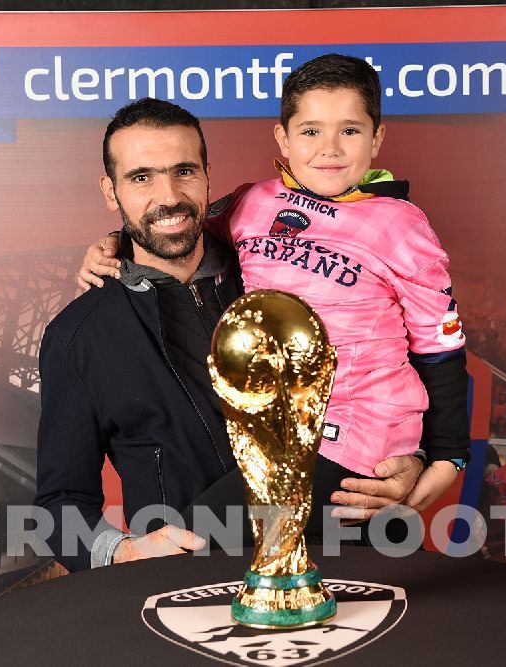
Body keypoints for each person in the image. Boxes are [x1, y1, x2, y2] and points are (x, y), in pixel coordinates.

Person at [36, 98, 424, 574]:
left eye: (184, 171)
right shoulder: (78, 336)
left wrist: (414, 458)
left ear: (207, 175)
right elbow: (58, 505)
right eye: (141, 178)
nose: (169, 195)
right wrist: (123, 552)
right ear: (110, 191)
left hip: (352, 555)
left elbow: (388, 358)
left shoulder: (281, 268)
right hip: (198, 587)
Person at [79, 54, 471, 519]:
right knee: (243, 561)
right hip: (279, 426)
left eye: (350, 130)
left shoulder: (402, 225)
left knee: (200, 536)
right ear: (283, 138)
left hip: (357, 433)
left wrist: (448, 454)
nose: (330, 148)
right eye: (310, 132)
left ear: (377, 138)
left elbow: (440, 342)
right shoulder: (254, 201)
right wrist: (113, 242)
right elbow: (176, 225)